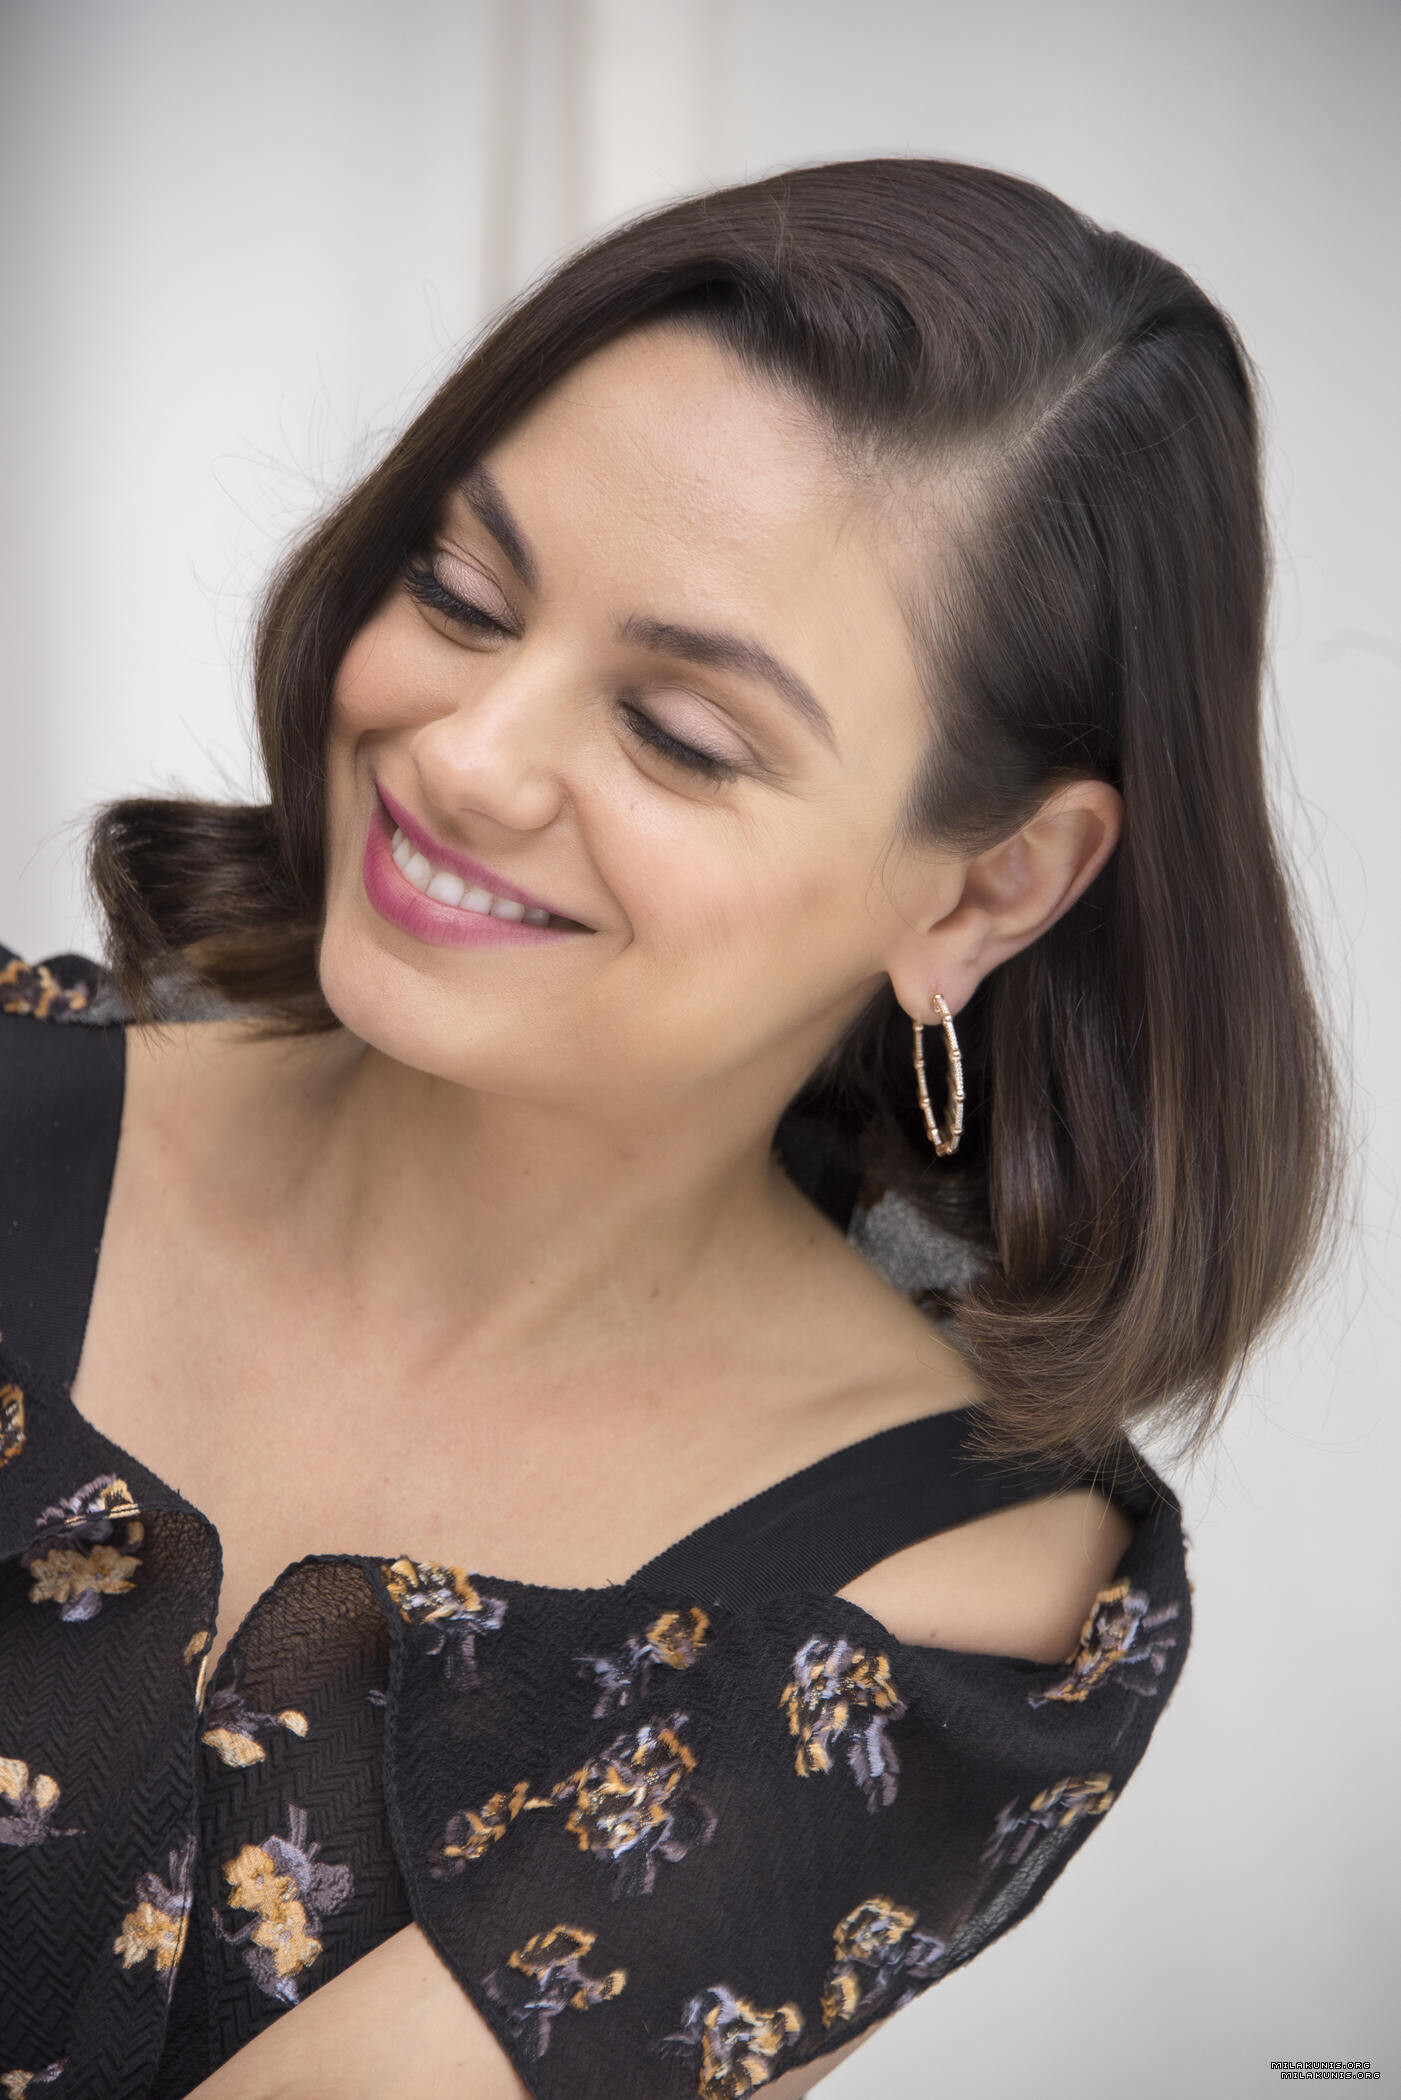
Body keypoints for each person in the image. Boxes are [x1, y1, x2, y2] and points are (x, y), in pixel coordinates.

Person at [0, 157, 1342, 2100]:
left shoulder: (945, 1604)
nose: (462, 755)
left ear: (986, 886)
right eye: (459, 594)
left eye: (679, 736)